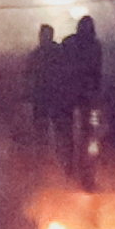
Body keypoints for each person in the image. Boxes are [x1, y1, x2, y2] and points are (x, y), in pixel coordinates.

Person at [57, 14, 105, 186]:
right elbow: (96, 72)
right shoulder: (93, 45)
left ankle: (73, 169)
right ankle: (80, 172)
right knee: (85, 135)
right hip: (80, 94)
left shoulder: (69, 43)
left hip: (75, 95)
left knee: (77, 135)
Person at [25, 24, 66, 156]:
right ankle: (56, 154)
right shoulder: (59, 52)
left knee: (44, 127)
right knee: (53, 127)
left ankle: (45, 154)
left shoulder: (37, 53)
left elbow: (28, 74)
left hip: (46, 95)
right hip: (52, 95)